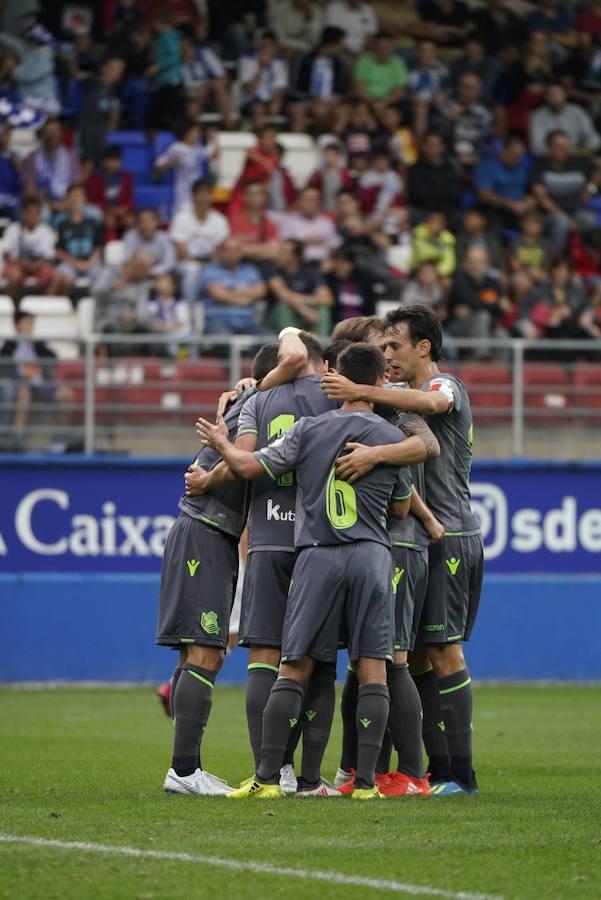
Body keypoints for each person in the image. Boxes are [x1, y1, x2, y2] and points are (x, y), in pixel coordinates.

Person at [198, 343, 419, 800]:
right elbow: (400, 508)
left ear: (339, 381)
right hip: (372, 554)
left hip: (317, 554)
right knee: (373, 667)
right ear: (378, 382)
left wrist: (221, 443)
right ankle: (363, 785)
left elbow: (248, 466)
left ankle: (266, 779)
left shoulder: (309, 429)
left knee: (294, 665)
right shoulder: (388, 435)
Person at [321, 304, 484, 796]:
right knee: (411, 658)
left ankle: (460, 773)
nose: (387, 355)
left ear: (424, 347)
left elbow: (432, 411)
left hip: (449, 533)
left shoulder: (444, 386)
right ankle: (433, 769)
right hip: (421, 535)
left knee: (443, 650)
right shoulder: (394, 397)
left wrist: (361, 391)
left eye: (394, 346)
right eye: (382, 347)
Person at [191, 332, 340, 796]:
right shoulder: (337, 394)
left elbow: (244, 461)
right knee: (314, 659)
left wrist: (208, 477)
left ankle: (272, 773)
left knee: (263, 656)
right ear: (319, 360)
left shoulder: (258, 398)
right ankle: (312, 779)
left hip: (269, 539)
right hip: (321, 541)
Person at [156, 339, 288, 795]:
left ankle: (186, 767)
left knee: (198, 651)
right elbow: (238, 463)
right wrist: (209, 475)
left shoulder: (245, 399)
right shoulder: (255, 404)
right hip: (205, 531)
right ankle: (185, 772)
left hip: (211, 532)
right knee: (206, 652)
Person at [0, 310, 74, 452]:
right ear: (18, 325)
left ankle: (59, 441)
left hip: (41, 383)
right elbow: (4, 367)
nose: (30, 326)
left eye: (31, 323)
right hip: (21, 383)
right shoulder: (9, 345)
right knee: (24, 392)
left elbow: (54, 359)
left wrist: (40, 361)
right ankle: (18, 438)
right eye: (27, 323)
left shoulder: (37, 344)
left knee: (66, 394)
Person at [530, 129, 599, 253]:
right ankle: (556, 262)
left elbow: (599, 169)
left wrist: (590, 188)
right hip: (550, 215)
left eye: (565, 146)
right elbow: (541, 196)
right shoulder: (540, 165)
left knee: (589, 219)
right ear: (549, 148)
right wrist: (566, 219)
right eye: (558, 146)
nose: (563, 149)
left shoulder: (578, 161)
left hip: (576, 211)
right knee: (560, 222)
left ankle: (589, 261)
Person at [169, 177, 230, 304]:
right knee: (193, 270)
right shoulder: (182, 218)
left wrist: (210, 264)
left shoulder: (220, 220)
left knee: (218, 271)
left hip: (211, 260)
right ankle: (189, 309)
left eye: (207, 193)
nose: (203, 197)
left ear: (211, 196)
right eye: (200, 193)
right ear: (193, 196)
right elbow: (180, 249)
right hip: (186, 262)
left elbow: (220, 249)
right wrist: (198, 264)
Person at [197, 237, 267, 337]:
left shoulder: (249, 269)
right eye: (228, 250)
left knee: (267, 340)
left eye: (236, 251)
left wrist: (231, 290)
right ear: (220, 252)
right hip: (218, 321)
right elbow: (218, 295)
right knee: (225, 341)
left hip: (246, 322)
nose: (232, 254)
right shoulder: (210, 270)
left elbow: (261, 291)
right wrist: (245, 298)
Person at [289, 26, 348, 135]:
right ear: (332, 44)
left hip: (329, 101)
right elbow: (293, 88)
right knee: (307, 111)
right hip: (305, 100)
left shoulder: (339, 62)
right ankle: (300, 143)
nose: (343, 46)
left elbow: (341, 89)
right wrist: (313, 99)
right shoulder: (304, 58)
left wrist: (337, 97)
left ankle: (330, 144)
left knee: (343, 113)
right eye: (341, 43)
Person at [447, 246, 512, 346]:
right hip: (460, 327)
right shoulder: (459, 281)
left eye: (480, 262)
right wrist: (496, 304)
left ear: (486, 263)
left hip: (488, 326)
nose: (476, 265)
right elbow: (473, 303)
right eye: (472, 261)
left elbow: (504, 308)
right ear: (466, 263)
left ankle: (501, 362)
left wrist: (494, 306)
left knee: (501, 334)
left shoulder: (492, 282)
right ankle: (481, 359)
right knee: (482, 316)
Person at [266, 239, 333, 335]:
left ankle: (321, 345)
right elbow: (284, 296)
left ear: (295, 257)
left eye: (283, 253)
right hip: (275, 319)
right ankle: (290, 342)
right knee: (284, 307)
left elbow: (327, 299)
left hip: (303, 316)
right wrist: (304, 310)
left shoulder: (310, 272)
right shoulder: (272, 270)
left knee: (323, 310)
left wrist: (304, 302)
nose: (278, 256)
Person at [474, 135, 534, 231]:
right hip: (496, 211)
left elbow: (531, 193)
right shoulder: (487, 166)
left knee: (536, 224)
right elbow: (484, 195)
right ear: (503, 151)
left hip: (521, 210)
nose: (517, 159)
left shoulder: (523, 168)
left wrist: (527, 203)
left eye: (520, 156)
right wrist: (510, 204)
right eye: (514, 155)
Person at [52, 184, 103, 296]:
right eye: (72, 196)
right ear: (67, 199)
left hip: (91, 263)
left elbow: (98, 247)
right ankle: (64, 308)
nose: (75, 199)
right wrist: (76, 264)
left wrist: (89, 263)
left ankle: (98, 310)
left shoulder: (93, 220)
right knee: (63, 277)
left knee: (102, 277)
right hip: (68, 263)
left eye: (78, 196)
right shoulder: (59, 221)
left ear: (85, 199)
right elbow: (57, 250)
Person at [2, 197, 56, 302]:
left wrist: (36, 265)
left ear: (39, 214)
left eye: (35, 213)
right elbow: (6, 255)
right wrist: (22, 264)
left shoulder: (45, 231)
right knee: (14, 276)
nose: (32, 216)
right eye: (29, 212)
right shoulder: (13, 229)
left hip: (39, 266)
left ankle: (44, 307)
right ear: (23, 213)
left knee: (55, 277)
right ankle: (14, 307)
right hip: (17, 265)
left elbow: (50, 257)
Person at [154, 121, 212, 215]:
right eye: (194, 133)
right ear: (187, 133)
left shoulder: (198, 148)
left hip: (198, 191)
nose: (197, 136)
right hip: (183, 193)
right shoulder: (176, 148)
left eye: (198, 133)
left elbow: (213, 155)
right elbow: (158, 166)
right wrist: (172, 162)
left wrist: (214, 139)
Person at [180, 29, 233, 129]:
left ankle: (229, 127)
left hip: (210, 94)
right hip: (191, 96)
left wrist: (206, 85)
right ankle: (196, 134)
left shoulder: (204, 53)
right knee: (192, 107)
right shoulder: (177, 62)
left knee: (219, 87)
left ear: (187, 41)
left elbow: (224, 77)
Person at [24, 119, 79, 214]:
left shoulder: (71, 157)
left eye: (55, 131)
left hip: (67, 203)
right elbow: (29, 189)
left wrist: (65, 204)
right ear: (43, 134)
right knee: (44, 213)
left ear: (60, 134)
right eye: (48, 132)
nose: (51, 135)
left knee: (94, 213)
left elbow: (77, 187)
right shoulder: (32, 158)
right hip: (42, 204)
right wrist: (49, 204)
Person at [529, 84, 601, 156]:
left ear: (565, 95)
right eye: (552, 95)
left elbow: (595, 140)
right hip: (549, 158)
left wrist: (580, 152)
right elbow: (537, 148)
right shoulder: (538, 115)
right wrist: (559, 153)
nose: (556, 98)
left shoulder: (577, 111)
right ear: (546, 98)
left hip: (576, 155)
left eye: (559, 94)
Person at [77, 56, 125, 163]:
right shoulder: (94, 81)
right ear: (104, 68)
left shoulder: (115, 93)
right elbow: (77, 74)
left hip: (101, 133)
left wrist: (111, 130)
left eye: (121, 69)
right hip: (86, 129)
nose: (118, 72)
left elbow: (114, 118)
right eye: (115, 68)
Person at [407, 131, 462, 222]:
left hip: (447, 211)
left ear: (442, 147)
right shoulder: (415, 169)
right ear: (423, 147)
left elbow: (455, 193)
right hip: (423, 211)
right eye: (430, 144)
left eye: (436, 144)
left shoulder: (450, 169)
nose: (433, 147)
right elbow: (418, 194)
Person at [277, 186, 340, 265]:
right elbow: (285, 247)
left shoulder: (326, 223)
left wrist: (332, 261)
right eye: (308, 200)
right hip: (300, 265)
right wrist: (305, 242)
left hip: (324, 264)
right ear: (299, 201)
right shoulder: (289, 221)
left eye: (315, 200)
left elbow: (335, 246)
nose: (311, 204)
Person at [239, 31, 288, 129]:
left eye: (269, 46)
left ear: (274, 48)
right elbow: (247, 90)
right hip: (250, 101)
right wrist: (261, 68)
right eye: (263, 46)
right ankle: (260, 136)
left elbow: (280, 89)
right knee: (258, 107)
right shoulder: (247, 60)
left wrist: (276, 102)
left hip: (270, 101)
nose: (265, 49)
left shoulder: (279, 62)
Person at [85, 145, 134, 240]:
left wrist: (124, 209)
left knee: (130, 221)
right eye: (111, 160)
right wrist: (108, 210)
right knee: (109, 222)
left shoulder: (127, 177)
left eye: (117, 160)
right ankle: (111, 250)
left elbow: (130, 200)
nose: (114, 163)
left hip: (121, 212)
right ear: (105, 161)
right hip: (105, 213)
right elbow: (92, 201)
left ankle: (128, 249)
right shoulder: (96, 178)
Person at [228, 180, 281, 266]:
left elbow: (274, 252)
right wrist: (264, 248)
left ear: (264, 197)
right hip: (241, 266)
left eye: (257, 194)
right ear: (243, 197)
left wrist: (249, 250)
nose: (253, 197)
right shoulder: (236, 221)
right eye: (250, 194)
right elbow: (236, 249)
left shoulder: (269, 223)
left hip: (265, 267)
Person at [146, 9, 183, 131]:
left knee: (163, 116)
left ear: (159, 22)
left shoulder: (168, 36)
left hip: (170, 82)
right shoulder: (162, 38)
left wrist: (157, 66)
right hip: (163, 83)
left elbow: (174, 56)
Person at [353, 31, 408, 111]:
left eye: (387, 47)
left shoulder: (398, 63)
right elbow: (358, 87)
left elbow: (400, 90)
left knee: (390, 118)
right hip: (366, 101)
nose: (383, 50)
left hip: (389, 102)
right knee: (361, 110)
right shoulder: (363, 61)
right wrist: (372, 103)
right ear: (374, 46)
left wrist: (383, 103)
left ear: (393, 47)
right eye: (380, 47)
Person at [307, 143, 353, 213]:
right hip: (322, 210)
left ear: (338, 156)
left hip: (339, 211)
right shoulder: (318, 173)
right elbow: (312, 189)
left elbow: (348, 191)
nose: (328, 158)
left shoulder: (344, 174)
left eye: (331, 155)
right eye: (326, 155)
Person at [411, 211, 456, 282]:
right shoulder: (419, 232)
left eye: (438, 223)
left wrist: (437, 273)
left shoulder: (448, 238)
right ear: (427, 222)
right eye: (432, 221)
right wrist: (437, 251)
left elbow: (449, 261)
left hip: (438, 271)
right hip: (418, 267)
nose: (434, 225)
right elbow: (421, 254)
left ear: (443, 225)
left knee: (447, 282)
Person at [0, 119, 21, 220]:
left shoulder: (14, 158)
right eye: (2, 133)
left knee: (18, 213)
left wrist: (19, 169)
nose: (4, 137)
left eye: (7, 134)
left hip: (10, 202)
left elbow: (19, 185)